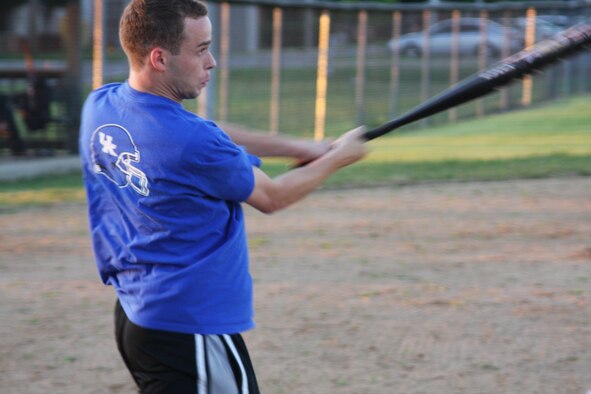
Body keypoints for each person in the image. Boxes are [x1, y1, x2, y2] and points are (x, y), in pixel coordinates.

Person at [79, 0, 367, 393]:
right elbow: (273, 195)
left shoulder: (103, 105)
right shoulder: (192, 143)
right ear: (160, 58)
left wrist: (299, 146)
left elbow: (206, 131)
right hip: (189, 326)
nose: (211, 61)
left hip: (136, 316)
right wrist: (340, 158)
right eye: (200, 50)